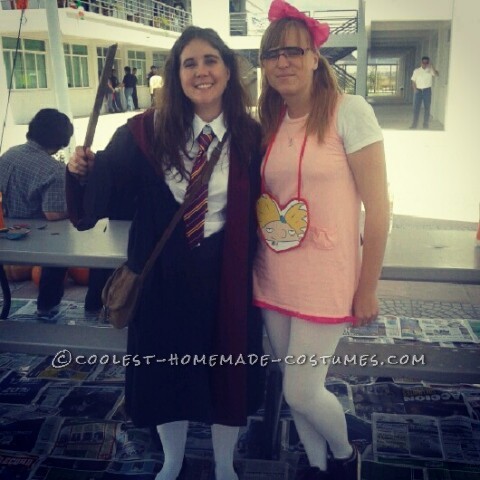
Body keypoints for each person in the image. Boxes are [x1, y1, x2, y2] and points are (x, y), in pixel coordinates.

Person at [66, 26, 264, 480]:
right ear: (176, 75)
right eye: (189, 63)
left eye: (210, 60)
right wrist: (81, 172)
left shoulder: (252, 136)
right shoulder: (143, 132)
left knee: (225, 371)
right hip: (162, 280)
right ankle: (172, 460)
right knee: (164, 373)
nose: (201, 71)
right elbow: (104, 187)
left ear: (228, 70)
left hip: (225, 278)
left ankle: (223, 464)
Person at [253, 1, 389, 479]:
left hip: (326, 275)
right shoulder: (269, 119)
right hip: (273, 272)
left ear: (315, 57)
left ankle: (345, 458)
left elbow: (380, 207)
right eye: (272, 54)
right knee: (293, 384)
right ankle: (315, 467)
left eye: (293, 51)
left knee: (302, 390)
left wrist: (367, 286)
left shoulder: (350, 112)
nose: (282, 62)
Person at [0, 109, 74, 319]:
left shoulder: (8, 154)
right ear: (60, 142)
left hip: (3, 230)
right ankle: (47, 307)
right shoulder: (54, 169)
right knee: (61, 250)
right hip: (32, 239)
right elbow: (53, 213)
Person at [410, 56, 439, 129]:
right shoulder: (416, 71)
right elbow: (413, 81)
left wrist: (431, 66)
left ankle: (425, 124)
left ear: (428, 63)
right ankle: (414, 124)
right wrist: (415, 89)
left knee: (427, 108)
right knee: (416, 108)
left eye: (426, 62)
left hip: (427, 91)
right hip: (418, 91)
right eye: (423, 62)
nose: (425, 64)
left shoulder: (430, 70)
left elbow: (436, 74)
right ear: (421, 62)